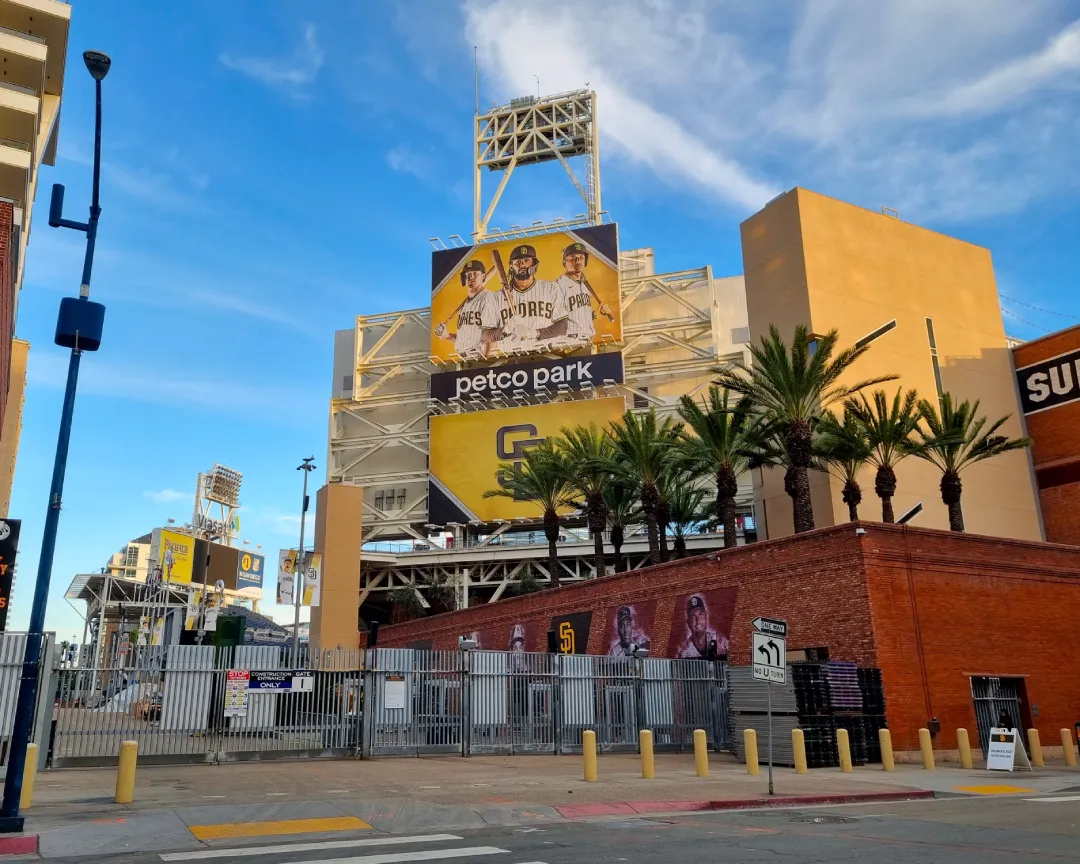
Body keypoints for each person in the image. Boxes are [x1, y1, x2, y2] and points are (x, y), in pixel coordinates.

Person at [495, 244, 569, 353]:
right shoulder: (497, 297)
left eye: (526, 261)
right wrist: (506, 329)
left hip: (546, 354)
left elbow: (562, 326)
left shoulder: (551, 288)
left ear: (534, 264)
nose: (522, 265)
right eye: (518, 262)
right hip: (510, 357)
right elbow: (486, 335)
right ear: (511, 266)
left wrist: (534, 333)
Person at [433, 260, 504, 358]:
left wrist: (487, 361)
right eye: (468, 274)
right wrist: (446, 335)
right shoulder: (465, 305)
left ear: (483, 276)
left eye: (475, 273)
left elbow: (491, 336)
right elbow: (464, 339)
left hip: (480, 357)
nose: (471, 277)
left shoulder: (487, 298)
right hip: (465, 358)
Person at [556, 241, 611, 346]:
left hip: (588, 339)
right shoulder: (559, 285)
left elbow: (578, 315)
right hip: (569, 340)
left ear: (585, 261)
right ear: (565, 262)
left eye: (581, 257)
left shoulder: (585, 284)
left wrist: (596, 314)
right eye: (572, 258)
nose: (577, 261)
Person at [676, 594, 729, 659]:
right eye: (693, 617)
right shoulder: (684, 653)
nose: (698, 620)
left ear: (706, 617)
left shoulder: (721, 642)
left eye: (701, 614)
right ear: (688, 623)